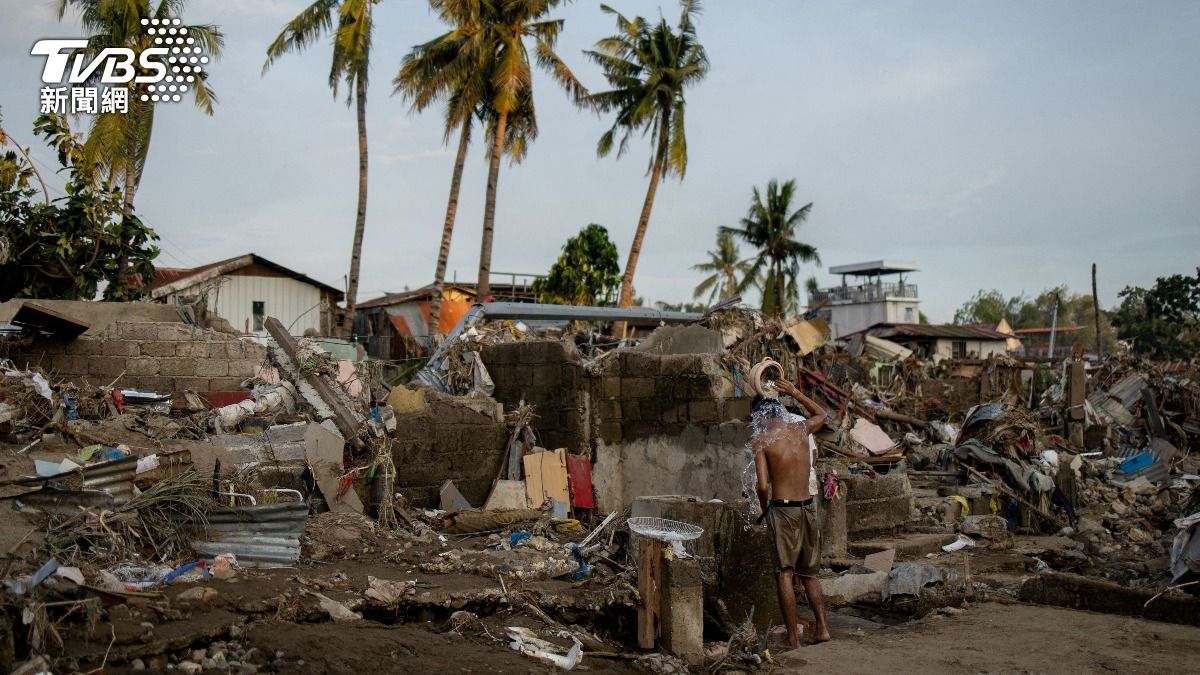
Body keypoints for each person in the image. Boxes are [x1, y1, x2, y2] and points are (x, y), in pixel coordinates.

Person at [752, 378, 831, 648]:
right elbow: (823, 415)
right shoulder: (801, 429)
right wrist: (795, 392)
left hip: (783, 510)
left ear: (761, 418)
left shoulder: (762, 441)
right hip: (807, 507)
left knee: (785, 573)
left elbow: (763, 486)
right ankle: (822, 629)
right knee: (809, 574)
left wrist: (764, 506)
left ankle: (793, 639)